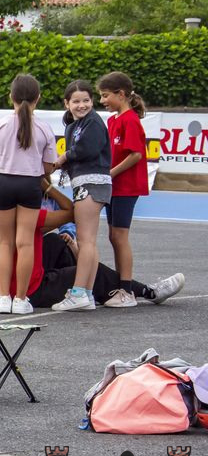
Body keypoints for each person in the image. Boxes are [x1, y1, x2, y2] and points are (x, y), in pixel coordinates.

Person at [0, 181, 184, 309]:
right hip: (33, 290)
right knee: (92, 272)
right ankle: (147, 291)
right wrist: (47, 186)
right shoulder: (32, 217)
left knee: (56, 241)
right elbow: (71, 211)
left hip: (9, 286)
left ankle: (79, 279)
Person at [0, 74, 57, 315]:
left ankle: (3, 297)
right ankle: (21, 298)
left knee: (4, 242)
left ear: (10, 96)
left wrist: (7, 166)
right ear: (38, 98)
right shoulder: (44, 128)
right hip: (30, 184)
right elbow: (49, 167)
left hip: (3, 182)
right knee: (25, 243)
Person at [50, 80, 111, 312]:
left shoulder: (93, 122)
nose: (82, 105)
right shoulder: (74, 124)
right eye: (76, 101)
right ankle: (86, 293)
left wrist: (63, 157)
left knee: (85, 241)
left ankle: (78, 293)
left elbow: (87, 149)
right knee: (89, 242)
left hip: (92, 183)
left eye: (86, 100)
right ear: (67, 103)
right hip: (86, 183)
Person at [99, 71, 149, 309]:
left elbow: (136, 154)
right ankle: (122, 285)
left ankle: (127, 290)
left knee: (119, 236)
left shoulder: (130, 120)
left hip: (125, 187)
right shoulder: (113, 120)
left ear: (121, 94)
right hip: (115, 187)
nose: (102, 101)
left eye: (105, 95)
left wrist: (111, 173)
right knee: (113, 236)